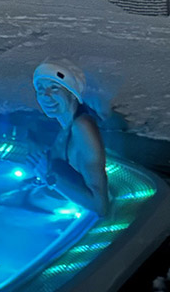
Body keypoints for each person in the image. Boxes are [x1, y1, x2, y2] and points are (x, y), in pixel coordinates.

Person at [27, 60, 109, 218]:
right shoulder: (66, 126)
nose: (45, 96)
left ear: (72, 93)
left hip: (69, 215)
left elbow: (101, 206)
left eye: (54, 88)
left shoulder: (83, 127)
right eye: (40, 89)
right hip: (56, 209)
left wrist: (48, 175)